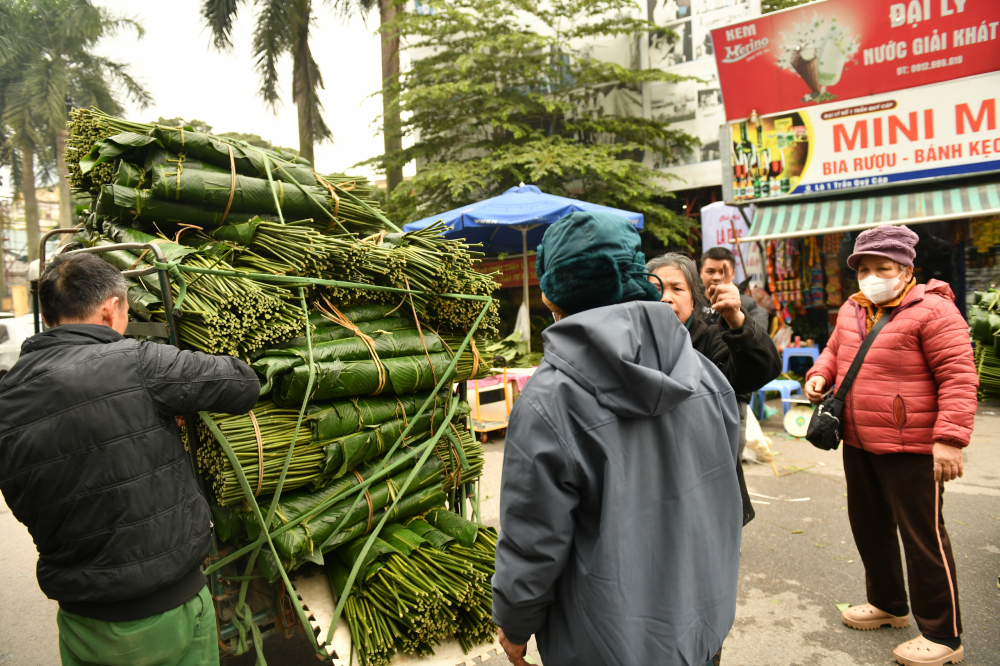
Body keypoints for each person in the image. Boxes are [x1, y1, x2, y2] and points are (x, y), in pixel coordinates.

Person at [491, 212, 743, 666]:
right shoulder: (704, 372)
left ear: (551, 292)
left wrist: (515, 622)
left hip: (605, 643)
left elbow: (534, 540)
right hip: (703, 628)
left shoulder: (548, 400)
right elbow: (724, 492)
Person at [0, 253, 260, 666]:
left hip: (80, 620)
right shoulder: (137, 362)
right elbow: (243, 384)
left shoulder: (7, 396)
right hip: (167, 613)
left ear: (48, 316)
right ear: (111, 310)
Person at [804, 225, 976, 666]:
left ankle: (943, 634)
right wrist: (820, 374)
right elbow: (835, 350)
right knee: (869, 525)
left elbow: (958, 377)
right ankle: (889, 605)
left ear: (906, 270)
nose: (873, 275)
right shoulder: (853, 308)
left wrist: (950, 440)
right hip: (859, 439)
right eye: (865, 268)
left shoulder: (934, 312)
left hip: (914, 447)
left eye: (883, 267)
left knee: (924, 538)